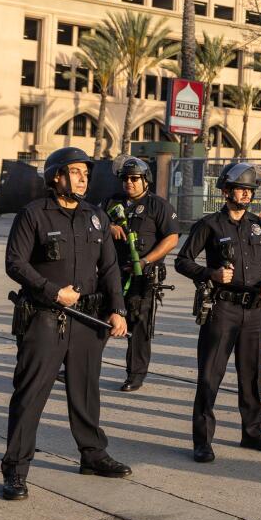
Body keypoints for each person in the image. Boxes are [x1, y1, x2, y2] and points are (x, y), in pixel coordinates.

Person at [1, 147, 130, 501]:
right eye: (75, 172)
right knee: (30, 395)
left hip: (88, 320)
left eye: (86, 174)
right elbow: (15, 263)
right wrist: (52, 291)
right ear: (56, 176)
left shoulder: (95, 217)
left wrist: (117, 309)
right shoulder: (33, 215)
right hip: (45, 318)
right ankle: (15, 469)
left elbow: (109, 269)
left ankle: (93, 455)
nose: (83, 179)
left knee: (86, 391)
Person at [176, 162, 261, 463]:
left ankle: (252, 432)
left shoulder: (260, 226)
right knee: (210, 375)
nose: (247, 194)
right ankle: (203, 441)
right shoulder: (210, 225)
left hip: (255, 311)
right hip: (222, 309)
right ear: (226, 191)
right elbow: (182, 261)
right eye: (241, 189)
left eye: (250, 190)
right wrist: (210, 274)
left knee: (251, 376)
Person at [103, 156, 179, 392]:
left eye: (135, 178)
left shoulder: (159, 206)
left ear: (145, 180)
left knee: (138, 326)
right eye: (125, 178)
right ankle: (80, 366)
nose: (129, 183)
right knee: (99, 319)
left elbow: (172, 238)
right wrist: (109, 226)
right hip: (112, 273)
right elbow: (92, 222)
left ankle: (135, 375)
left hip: (142, 276)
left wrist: (146, 260)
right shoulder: (111, 201)